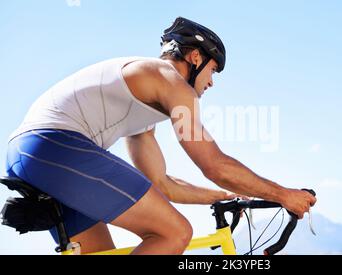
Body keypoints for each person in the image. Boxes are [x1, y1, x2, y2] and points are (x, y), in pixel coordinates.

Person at [4, 17, 316, 254]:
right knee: (174, 232)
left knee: (102, 254)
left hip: (34, 155)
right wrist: (283, 195)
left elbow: (161, 183)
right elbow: (214, 165)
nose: (211, 83)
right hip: (57, 147)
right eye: (213, 71)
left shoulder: (144, 108)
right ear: (195, 58)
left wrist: (224, 196)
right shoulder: (171, 82)